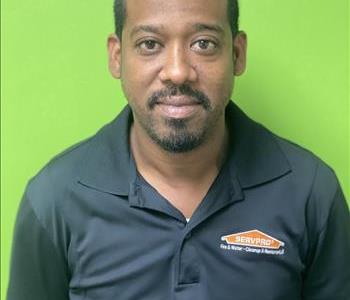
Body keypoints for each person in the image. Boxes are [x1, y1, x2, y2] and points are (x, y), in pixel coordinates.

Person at [7, 0, 350, 299]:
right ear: (117, 57)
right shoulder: (54, 201)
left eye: (203, 43)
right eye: (150, 44)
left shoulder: (311, 193)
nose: (177, 72)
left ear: (237, 53)